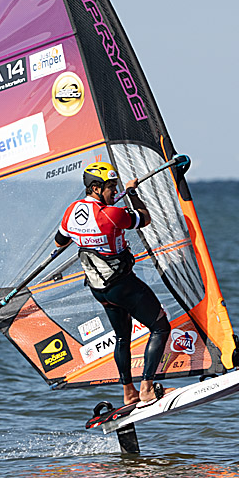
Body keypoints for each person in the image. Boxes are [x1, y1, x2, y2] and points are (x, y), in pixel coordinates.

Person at [55, 161, 172, 406]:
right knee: (160, 326)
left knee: (122, 337)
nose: (114, 191)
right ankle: (147, 388)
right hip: (122, 285)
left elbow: (60, 241)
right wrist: (131, 193)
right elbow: (145, 218)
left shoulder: (70, 212)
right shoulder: (112, 214)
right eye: (111, 187)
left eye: (116, 186)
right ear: (96, 188)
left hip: (99, 289)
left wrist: (83, 236)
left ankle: (128, 392)